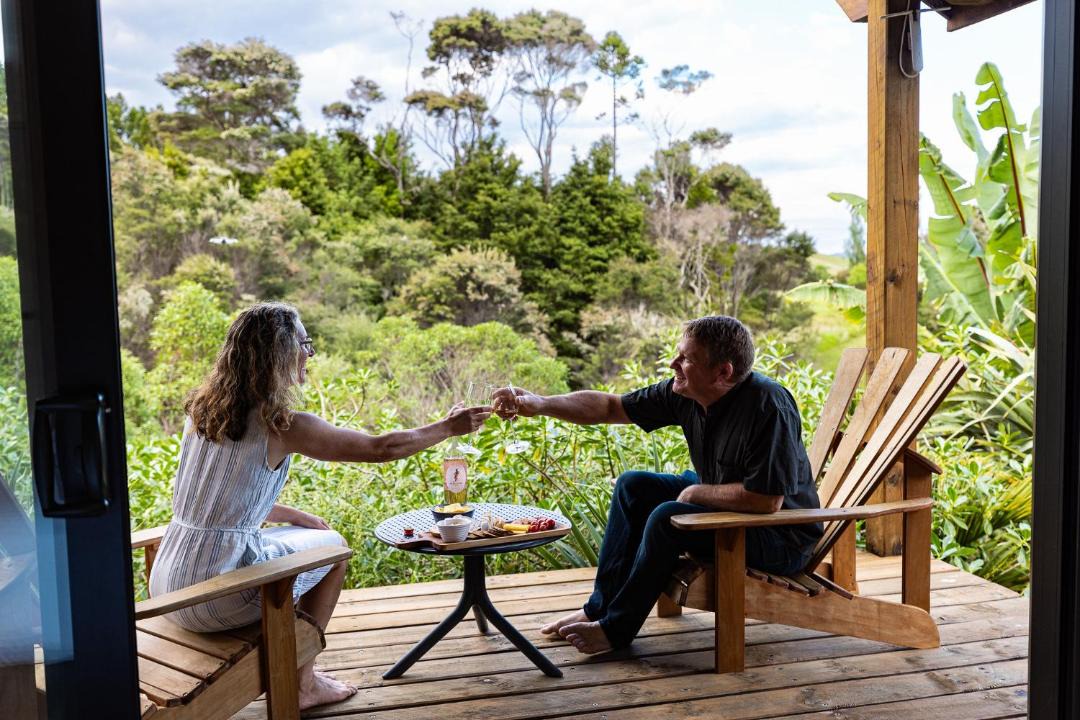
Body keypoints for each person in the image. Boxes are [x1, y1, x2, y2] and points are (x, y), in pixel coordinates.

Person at [149, 301, 490, 710]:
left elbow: (216, 498)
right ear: (279, 354)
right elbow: (381, 448)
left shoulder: (204, 413)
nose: (310, 354)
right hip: (217, 595)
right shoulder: (282, 424)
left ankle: (296, 663)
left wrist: (291, 514)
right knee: (333, 549)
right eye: (305, 344)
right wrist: (449, 427)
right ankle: (303, 682)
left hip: (169, 588)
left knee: (307, 539)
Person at [492, 315, 821, 655]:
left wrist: (697, 493)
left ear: (722, 372)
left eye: (686, 359)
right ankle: (599, 608)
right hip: (731, 514)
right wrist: (540, 404)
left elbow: (766, 501)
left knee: (668, 516)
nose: (673, 363)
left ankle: (616, 629)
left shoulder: (768, 405)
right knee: (634, 486)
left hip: (779, 536)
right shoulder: (685, 392)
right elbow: (610, 406)